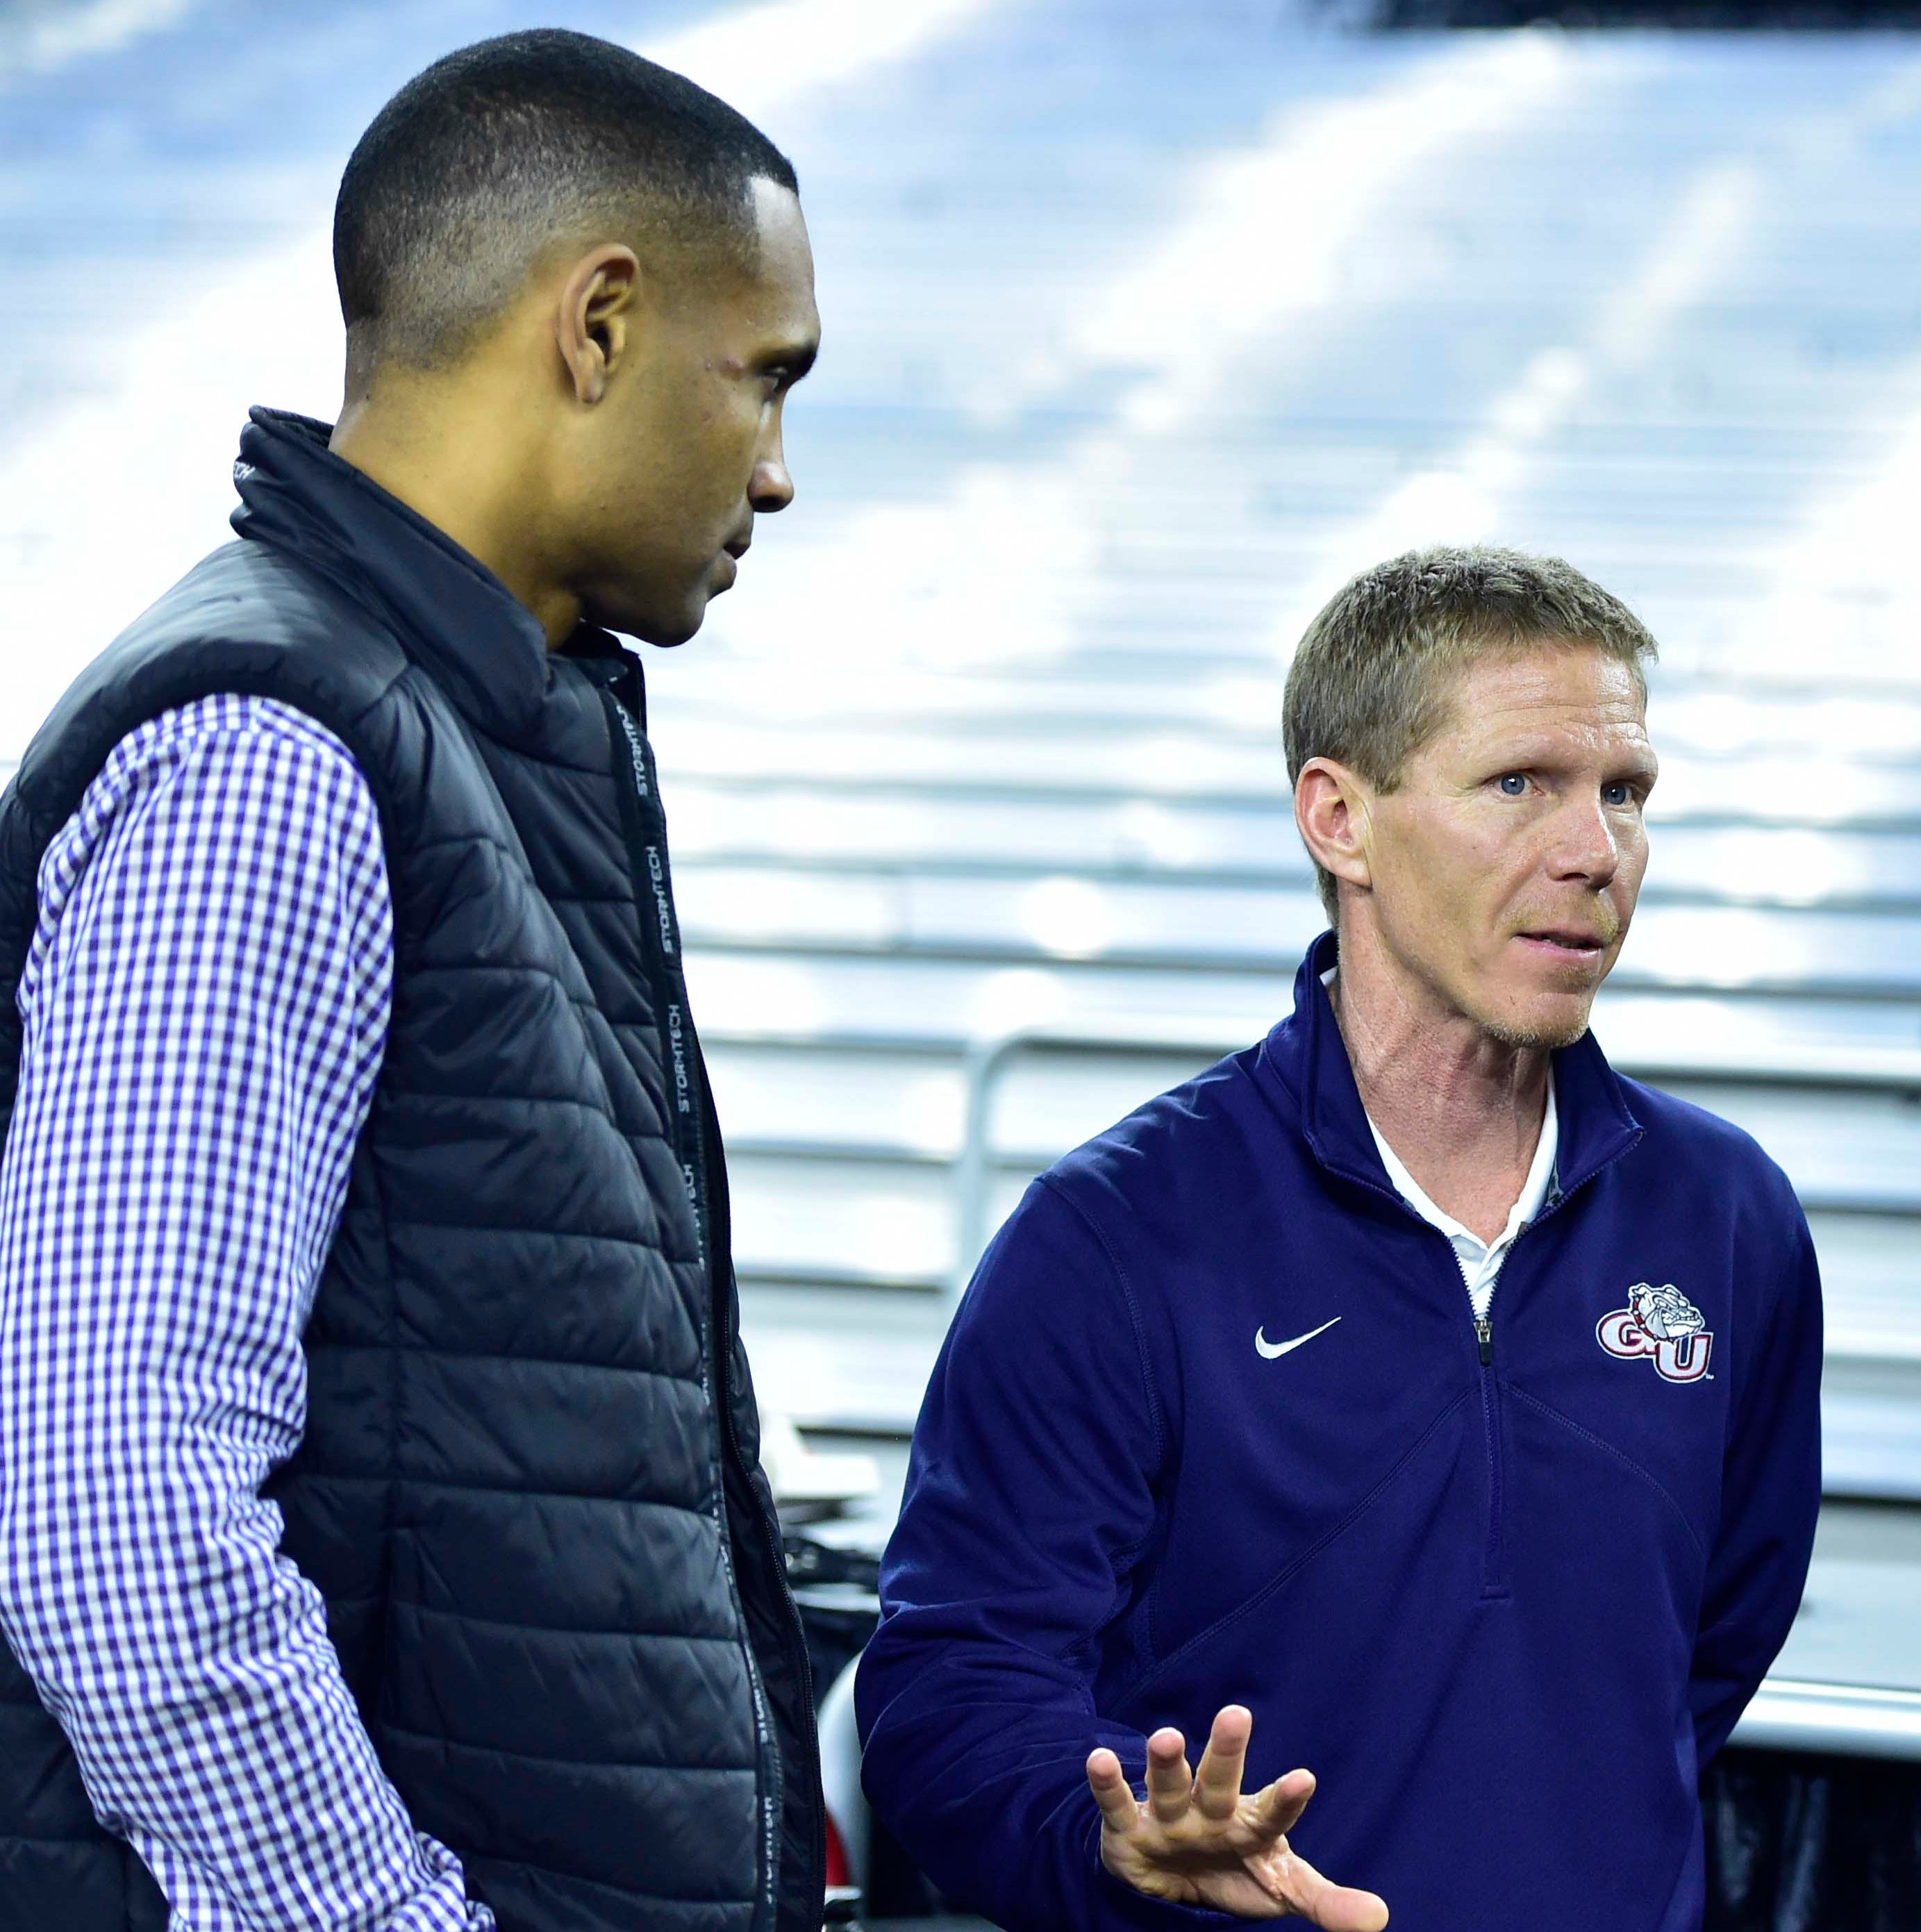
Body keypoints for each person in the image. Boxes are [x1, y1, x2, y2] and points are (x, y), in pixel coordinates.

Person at [0, 32, 826, 1930]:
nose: (777, 474)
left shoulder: (455, 731)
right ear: (598, 325)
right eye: (762, 380)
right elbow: (117, 1504)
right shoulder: (270, 751)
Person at [858, 545, 1825, 1931]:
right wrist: (1107, 1838)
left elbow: (1709, 1644)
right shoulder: (1117, 1236)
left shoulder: (1726, 1218)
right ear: (1339, 818)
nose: (1592, 853)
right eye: (1518, 785)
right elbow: (952, 1678)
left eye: (1623, 793)